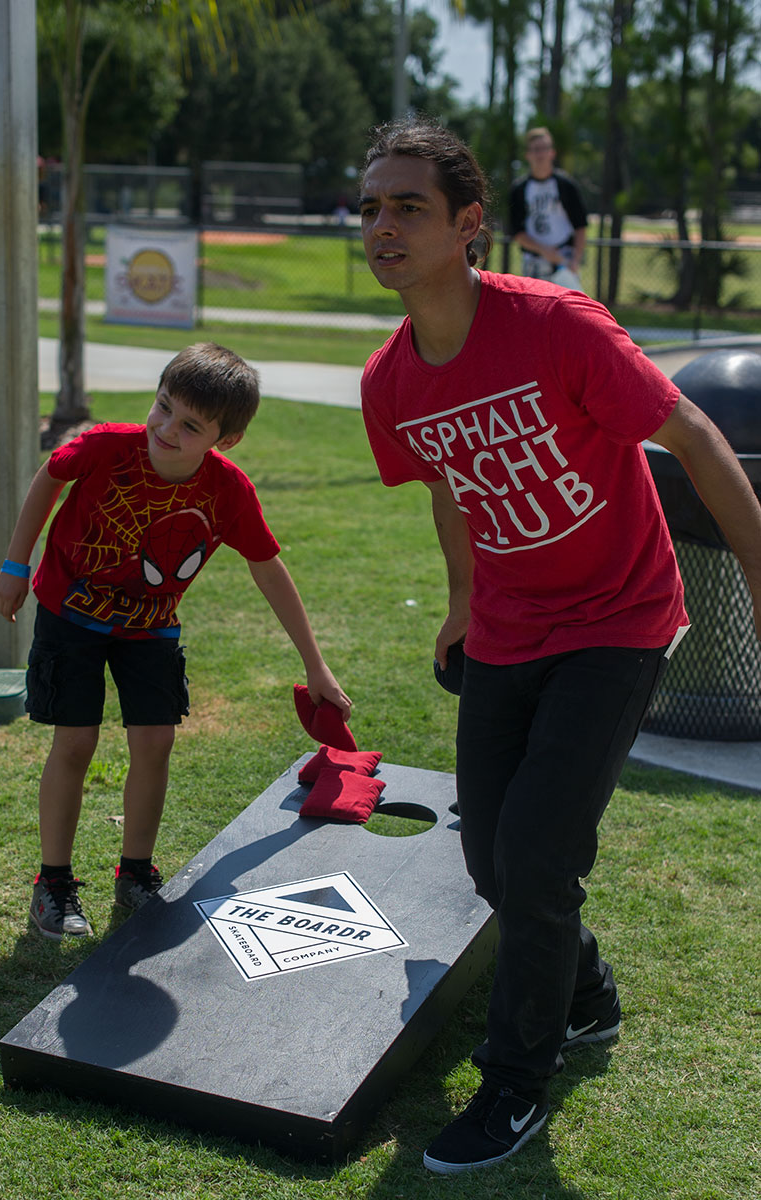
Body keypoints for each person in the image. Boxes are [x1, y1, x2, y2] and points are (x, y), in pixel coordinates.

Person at [357, 118, 761, 1174]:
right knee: (490, 857)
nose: (382, 226)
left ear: (469, 225)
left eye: (407, 206)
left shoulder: (556, 324)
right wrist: (457, 600)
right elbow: (450, 486)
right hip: (506, 627)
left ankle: (515, 1083)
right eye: (370, 208)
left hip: (620, 617)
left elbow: (697, 438)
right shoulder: (389, 382)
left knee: (538, 853)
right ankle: (584, 994)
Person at [0, 342, 351, 941]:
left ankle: (135, 873)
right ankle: (52, 883)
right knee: (76, 743)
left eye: (190, 425)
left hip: (150, 626)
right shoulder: (108, 445)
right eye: (163, 407)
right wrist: (13, 564)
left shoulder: (228, 490)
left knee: (155, 740)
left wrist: (316, 665)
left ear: (224, 439)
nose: (167, 428)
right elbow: (50, 477)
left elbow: (269, 569)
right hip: (70, 613)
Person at [509, 126, 587, 288]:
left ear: (552, 152)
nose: (540, 154)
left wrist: (575, 260)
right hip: (534, 262)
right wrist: (544, 250)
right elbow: (516, 231)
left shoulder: (566, 185)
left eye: (544, 148)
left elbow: (580, 225)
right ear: (528, 155)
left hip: (564, 260)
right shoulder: (519, 189)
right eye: (535, 149)